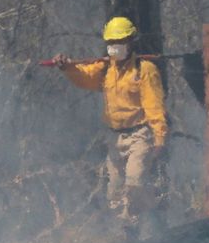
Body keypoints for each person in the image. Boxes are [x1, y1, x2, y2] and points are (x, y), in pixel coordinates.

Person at [51, 17, 167, 224]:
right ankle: (128, 229)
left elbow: (154, 106)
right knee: (115, 192)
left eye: (120, 42)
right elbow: (84, 77)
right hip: (114, 136)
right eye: (111, 43)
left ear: (131, 42)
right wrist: (66, 67)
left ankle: (145, 217)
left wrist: (159, 137)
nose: (115, 47)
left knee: (134, 183)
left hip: (140, 134)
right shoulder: (105, 68)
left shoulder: (144, 70)